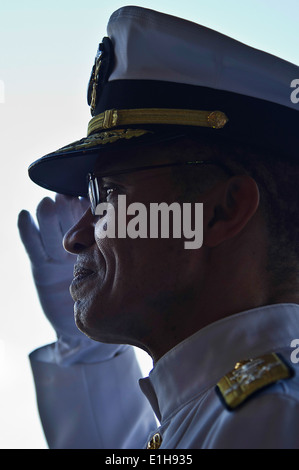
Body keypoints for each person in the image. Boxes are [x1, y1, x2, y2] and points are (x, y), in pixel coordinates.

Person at [18, 6, 299, 449]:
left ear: (221, 212)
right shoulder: (231, 409)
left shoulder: (270, 418)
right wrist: (85, 355)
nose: (74, 237)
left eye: (109, 195)